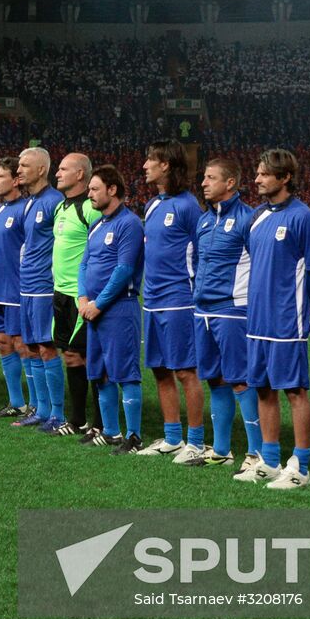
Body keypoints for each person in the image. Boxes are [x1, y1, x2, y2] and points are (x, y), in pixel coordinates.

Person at [234, 149, 310, 490]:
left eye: (263, 174)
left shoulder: (302, 217)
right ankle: (270, 461)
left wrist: (297, 305)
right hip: (257, 320)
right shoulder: (255, 217)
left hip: (287, 321)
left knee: (294, 390)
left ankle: (301, 465)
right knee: (263, 388)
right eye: (257, 173)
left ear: (284, 177)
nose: (256, 179)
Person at [188, 157, 257, 467]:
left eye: (211, 177)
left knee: (240, 380)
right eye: (204, 177)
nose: (204, 183)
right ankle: (221, 450)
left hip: (232, 310)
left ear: (230, 183)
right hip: (202, 310)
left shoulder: (247, 219)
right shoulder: (203, 220)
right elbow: (196, 261)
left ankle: (257, 453)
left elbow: (260, 265)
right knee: (215, 379)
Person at [138, 140, 204, 457]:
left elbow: (203, 252)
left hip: (179, 299)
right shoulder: (152, 205)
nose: (145, 165)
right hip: (151, 299)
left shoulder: (188, 206)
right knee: (160, 370)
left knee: (185, 372)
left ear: (166, 164)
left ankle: (195, 441)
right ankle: (172, 437)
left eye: (150, 159)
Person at [77, 165, 145, 453]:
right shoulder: (97, 225)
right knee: (100, 373)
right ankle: (111, 431)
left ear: (112, 189)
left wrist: (98, 304)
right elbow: (84, 265)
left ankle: (134, 436)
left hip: (119, 309)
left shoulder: (129, 224)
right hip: (92, 309)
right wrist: (82, 299)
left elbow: (124, 270)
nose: (90, 194)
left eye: (94, 189)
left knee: (125, 373)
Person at [50, 152, 100, 436]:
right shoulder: (61, 208)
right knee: (70, 356)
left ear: (80, 174)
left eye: (63, 168)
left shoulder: (89, 209)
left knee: (88, 358)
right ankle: (78, 420)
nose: (57, 173)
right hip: (60, 294)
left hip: (81, 296)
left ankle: (100, 423)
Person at [14, 146, 64, 428]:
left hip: (45, 287)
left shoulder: (53, 201)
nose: (18, 170)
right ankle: (42, 410)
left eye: (24, 165)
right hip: (27, 286)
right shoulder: (31, 202)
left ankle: (57, 413)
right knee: (32, 347)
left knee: (46, 348)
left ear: (41, 169)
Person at [0, 158, 29, 418]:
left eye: (0, 176)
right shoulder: (0, 210)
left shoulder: (25, 210)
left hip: (16, 289)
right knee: (2, 342)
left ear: (16, 180)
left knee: (22, 344)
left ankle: (36, 404)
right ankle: (16, 402)